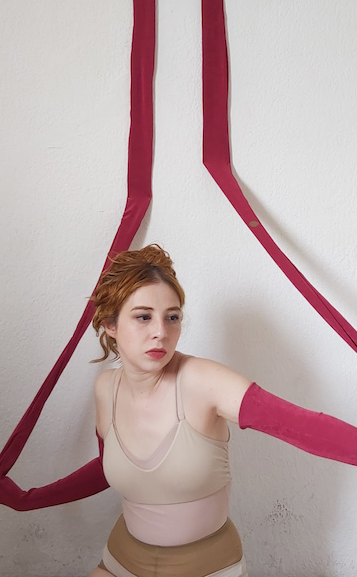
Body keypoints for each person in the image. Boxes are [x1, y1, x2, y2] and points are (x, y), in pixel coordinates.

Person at [88, 243, 251, 577]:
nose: (161, 332)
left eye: (172, 317)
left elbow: (298, 426)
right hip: (121, 560)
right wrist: (29, 498)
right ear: (110, 325)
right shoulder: (106, 388)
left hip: (207, 566)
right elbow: (111, 468)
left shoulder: (203, 380)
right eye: (143, 317)